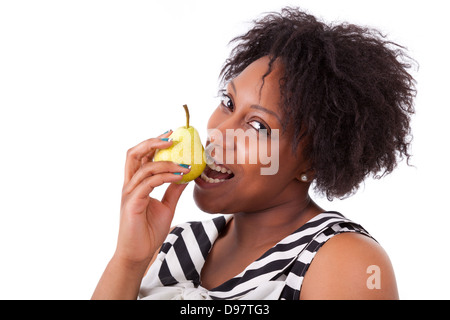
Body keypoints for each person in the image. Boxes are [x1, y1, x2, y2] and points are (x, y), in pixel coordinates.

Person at [92, 7, 415, 300]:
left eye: (258, 126)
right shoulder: (172, 245)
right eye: (229, 103)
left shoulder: (347, 261)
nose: (220, 133)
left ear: (314, 161)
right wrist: (128, 260)